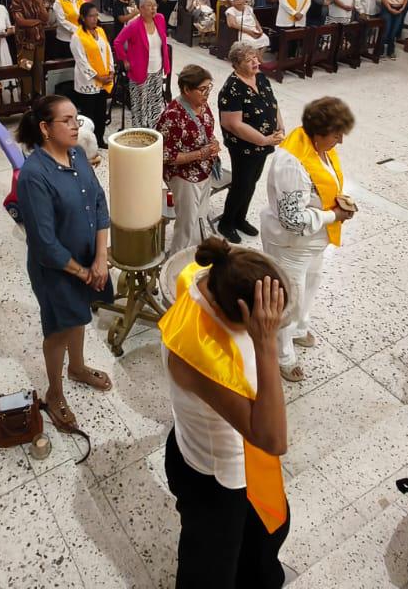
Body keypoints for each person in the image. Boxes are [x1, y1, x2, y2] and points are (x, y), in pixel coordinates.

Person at [160, 238, 290, 589]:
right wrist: (266, 345)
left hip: (239, 461)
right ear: (244, 315)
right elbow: (273, 440)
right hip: (215, 482)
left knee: (264, 542)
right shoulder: (200, 354)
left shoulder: (209, 278)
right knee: (210, 572)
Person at [14, 95, 115, 434]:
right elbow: (44, 244)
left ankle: (78, 367)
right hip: (56, 270)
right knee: (59, 329)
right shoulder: (34, 175)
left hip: (88, 258)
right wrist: (84, 272)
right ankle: (54, 392)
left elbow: (98, 201)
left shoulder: (78, 154)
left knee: (79, 316)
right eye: (67, 120)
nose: (76, 126)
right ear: (45, 128)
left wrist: (100, 258)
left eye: (76, 118)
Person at [260, 97, 355, 383]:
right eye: (336, 135)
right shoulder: (292, 163)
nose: (340, 141)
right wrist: (333, 215)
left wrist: (338, 205)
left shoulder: (317, 146)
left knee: (310, 284)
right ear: (318, 132)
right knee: (288, 298)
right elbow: (291, 219)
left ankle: (299, 328)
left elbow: (320, 187)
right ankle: (283, 354)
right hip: (290, 245)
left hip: (314, 241)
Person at [217, 43, 284, 245]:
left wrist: (280, 126)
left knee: (252, 181)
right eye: (249, 60)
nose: (255, 62)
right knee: (241, 184)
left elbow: (273, 103)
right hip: (244, 147)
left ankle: (240, 218)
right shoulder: (232, 88)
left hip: (263, 144)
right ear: (237, 64)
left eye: (255, 57)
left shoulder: (260, 78)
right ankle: (227, 222)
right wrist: (264, 139)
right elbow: (233, 124)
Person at [159, 65, 220, 257]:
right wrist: (200, 154)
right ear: (186, 89)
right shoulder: (173, 115)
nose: (207, 93)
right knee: (187, 223)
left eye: (209, 88)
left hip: (205, 170)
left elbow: (207, 130)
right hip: (184, 176)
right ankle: (176, 261)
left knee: (200, 218)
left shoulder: (202, 104)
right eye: (202, 89)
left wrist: (214, 143)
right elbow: (165, 155)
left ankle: (195, 255)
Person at [114, 0, 172, 130]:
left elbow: (163, 42)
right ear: (141, 8)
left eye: (155, 5)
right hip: (140, 71)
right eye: (149, 5)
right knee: (140, 106)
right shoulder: (134, 25)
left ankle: (154, 131)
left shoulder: (160, 19)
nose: (153, 8)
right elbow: (118, 42)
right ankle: (139, 132)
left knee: (155, 103)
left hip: (157, 69)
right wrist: (124, 59)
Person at [70, 3, 114, 149]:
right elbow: (81, 62)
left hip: (104, 79)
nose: (95, 19)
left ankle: (100, 139)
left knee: (101, 112)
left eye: (96, 15)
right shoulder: (77, 37)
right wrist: (97, 77)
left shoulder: (100, 31)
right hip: (88, 82)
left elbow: (108, 51)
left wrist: (111, 70)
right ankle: (87, 144)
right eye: (91, 16)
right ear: (83, 18)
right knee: (89, 115)